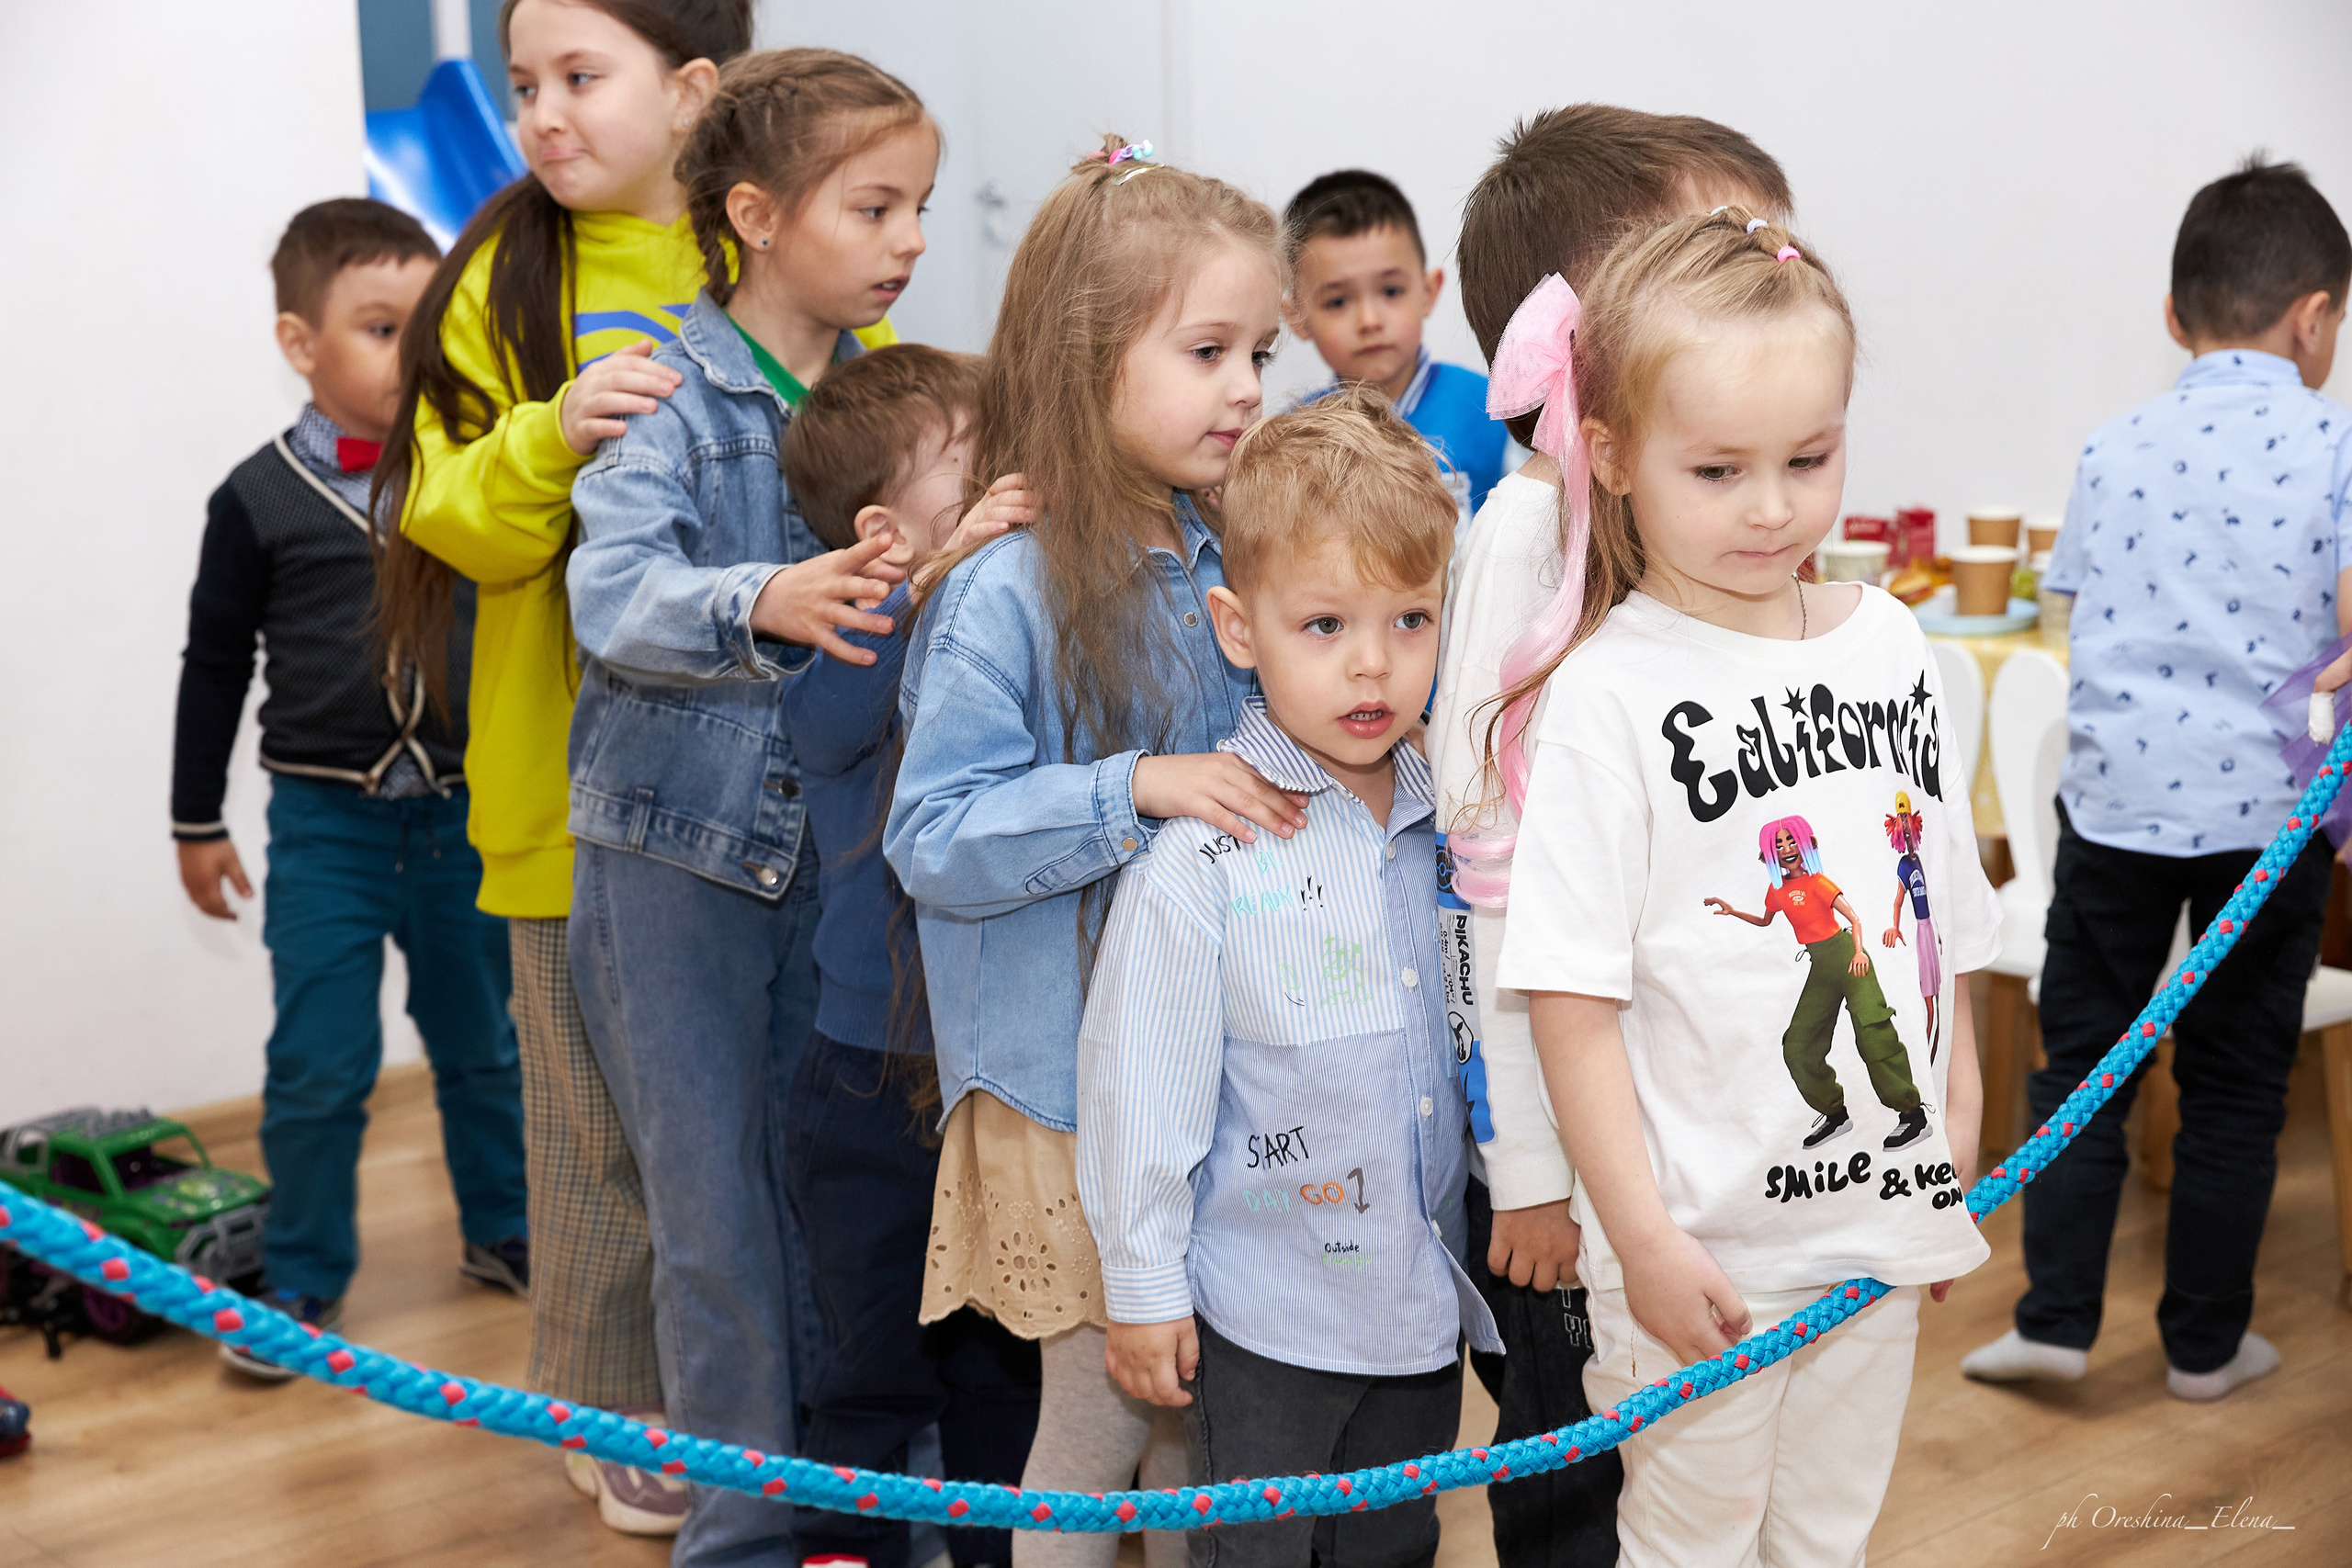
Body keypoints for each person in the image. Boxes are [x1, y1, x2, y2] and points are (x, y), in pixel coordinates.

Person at [374, 0, 851, 1536]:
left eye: (581, 77)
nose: (542, 113)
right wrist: (552, 432)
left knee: (744, 1136)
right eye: (524, 83)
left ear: (697, 90)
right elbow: (441, 508)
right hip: (568, 808)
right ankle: (615, 1413)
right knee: (601, 1147)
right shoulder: (503, 275)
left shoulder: (779, 264)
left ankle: (762, 1414)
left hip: (775, 814)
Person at [1485, 209, 1997, 1567]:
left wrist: (1956, 1117)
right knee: (1689, 1544)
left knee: (1826, 1533)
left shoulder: (1892, 641)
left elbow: (1944, 909)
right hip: (1700, 1254)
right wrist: (1638, 1238)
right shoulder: (1606, 694)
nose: (1772, 508)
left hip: (1874, 1225)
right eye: (1718, 469)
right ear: (1612, 456)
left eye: (1808, 459)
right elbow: (1568, 1002)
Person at [885, 138, 1298, 1568]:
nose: (1247, 387)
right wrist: (1140, 787)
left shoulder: (1221, 552)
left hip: (1197, 1072)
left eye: (1260, 351)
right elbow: (934, 833)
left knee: (1188, 1418)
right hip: (1069, 1095)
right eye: (1208, 350)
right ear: (1083, 358)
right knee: (1099, 1421)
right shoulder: (1006, 587)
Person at [563, 47, 940, 1566]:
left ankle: (857, 1509)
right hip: (675, 873)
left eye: (918, 206)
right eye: (874, 206)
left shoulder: (890, 398)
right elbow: (611, 592)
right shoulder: (667, 390)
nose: (910, 238)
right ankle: (737, 1532)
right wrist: (762, 596)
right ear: (758, 216)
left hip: (840, 876)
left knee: (834, 1203)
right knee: (715, 1220)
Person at [1426, 103, 1792, 1567]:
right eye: (1722, 246)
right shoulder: (1529, 535)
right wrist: (1526, 1166)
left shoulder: (1680, 537)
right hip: (1563, 1154)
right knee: (1572, 1468)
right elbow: (1486, 877)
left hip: (1674, 1123)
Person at [1080, 388, 1499, 1568]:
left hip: (1416, 1309)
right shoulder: (1203, 857)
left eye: (1410, 619)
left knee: (1392, 1549)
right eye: (1323, 624)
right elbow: (1139, 1086)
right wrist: (1143, 1284)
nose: (1373, 663)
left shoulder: (1453, 826)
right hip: (1263, 1322)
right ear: (1237, 626)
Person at [1963, 155, 2352, 1404]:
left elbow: (2074, 599)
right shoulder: (2337, 443)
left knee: (2084, 1067)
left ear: (2175, 318)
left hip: (2115, 810)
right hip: (2269, 825)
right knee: (2235, 1086)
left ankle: (2053, 1319)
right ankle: (2203, 1345)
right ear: (2314, 318)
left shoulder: (2115, 443)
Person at [173, 198, 527, 1382]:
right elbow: (214, 664)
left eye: (427, 328)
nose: (411, 355)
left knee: (484, 1047)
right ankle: (302, 1271)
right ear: (299, 343)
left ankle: (504, 1227)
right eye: (381, 329)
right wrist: (195, 820)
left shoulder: (474, 478)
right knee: (319, 1064)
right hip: (326, 826)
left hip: (465, 818)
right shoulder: (258, 499)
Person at [775, 343, 1042, 1568]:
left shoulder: (1014, 615)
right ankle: (845, 1543)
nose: (1006, 489)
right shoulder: (849, 648)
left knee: (1002, 1366)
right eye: (975, 474)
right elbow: (831, 717)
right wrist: (935, 580)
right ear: (881, 534)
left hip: (998, 1071)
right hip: (870, 1081)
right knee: (871, 1359)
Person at [1283, 170, 1505, 513]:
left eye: (1390, 291)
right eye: (1338, 301)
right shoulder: (1290, 440)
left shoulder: (1493, 408)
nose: (1369, 321)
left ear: (1428, 292)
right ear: (1297, 317)